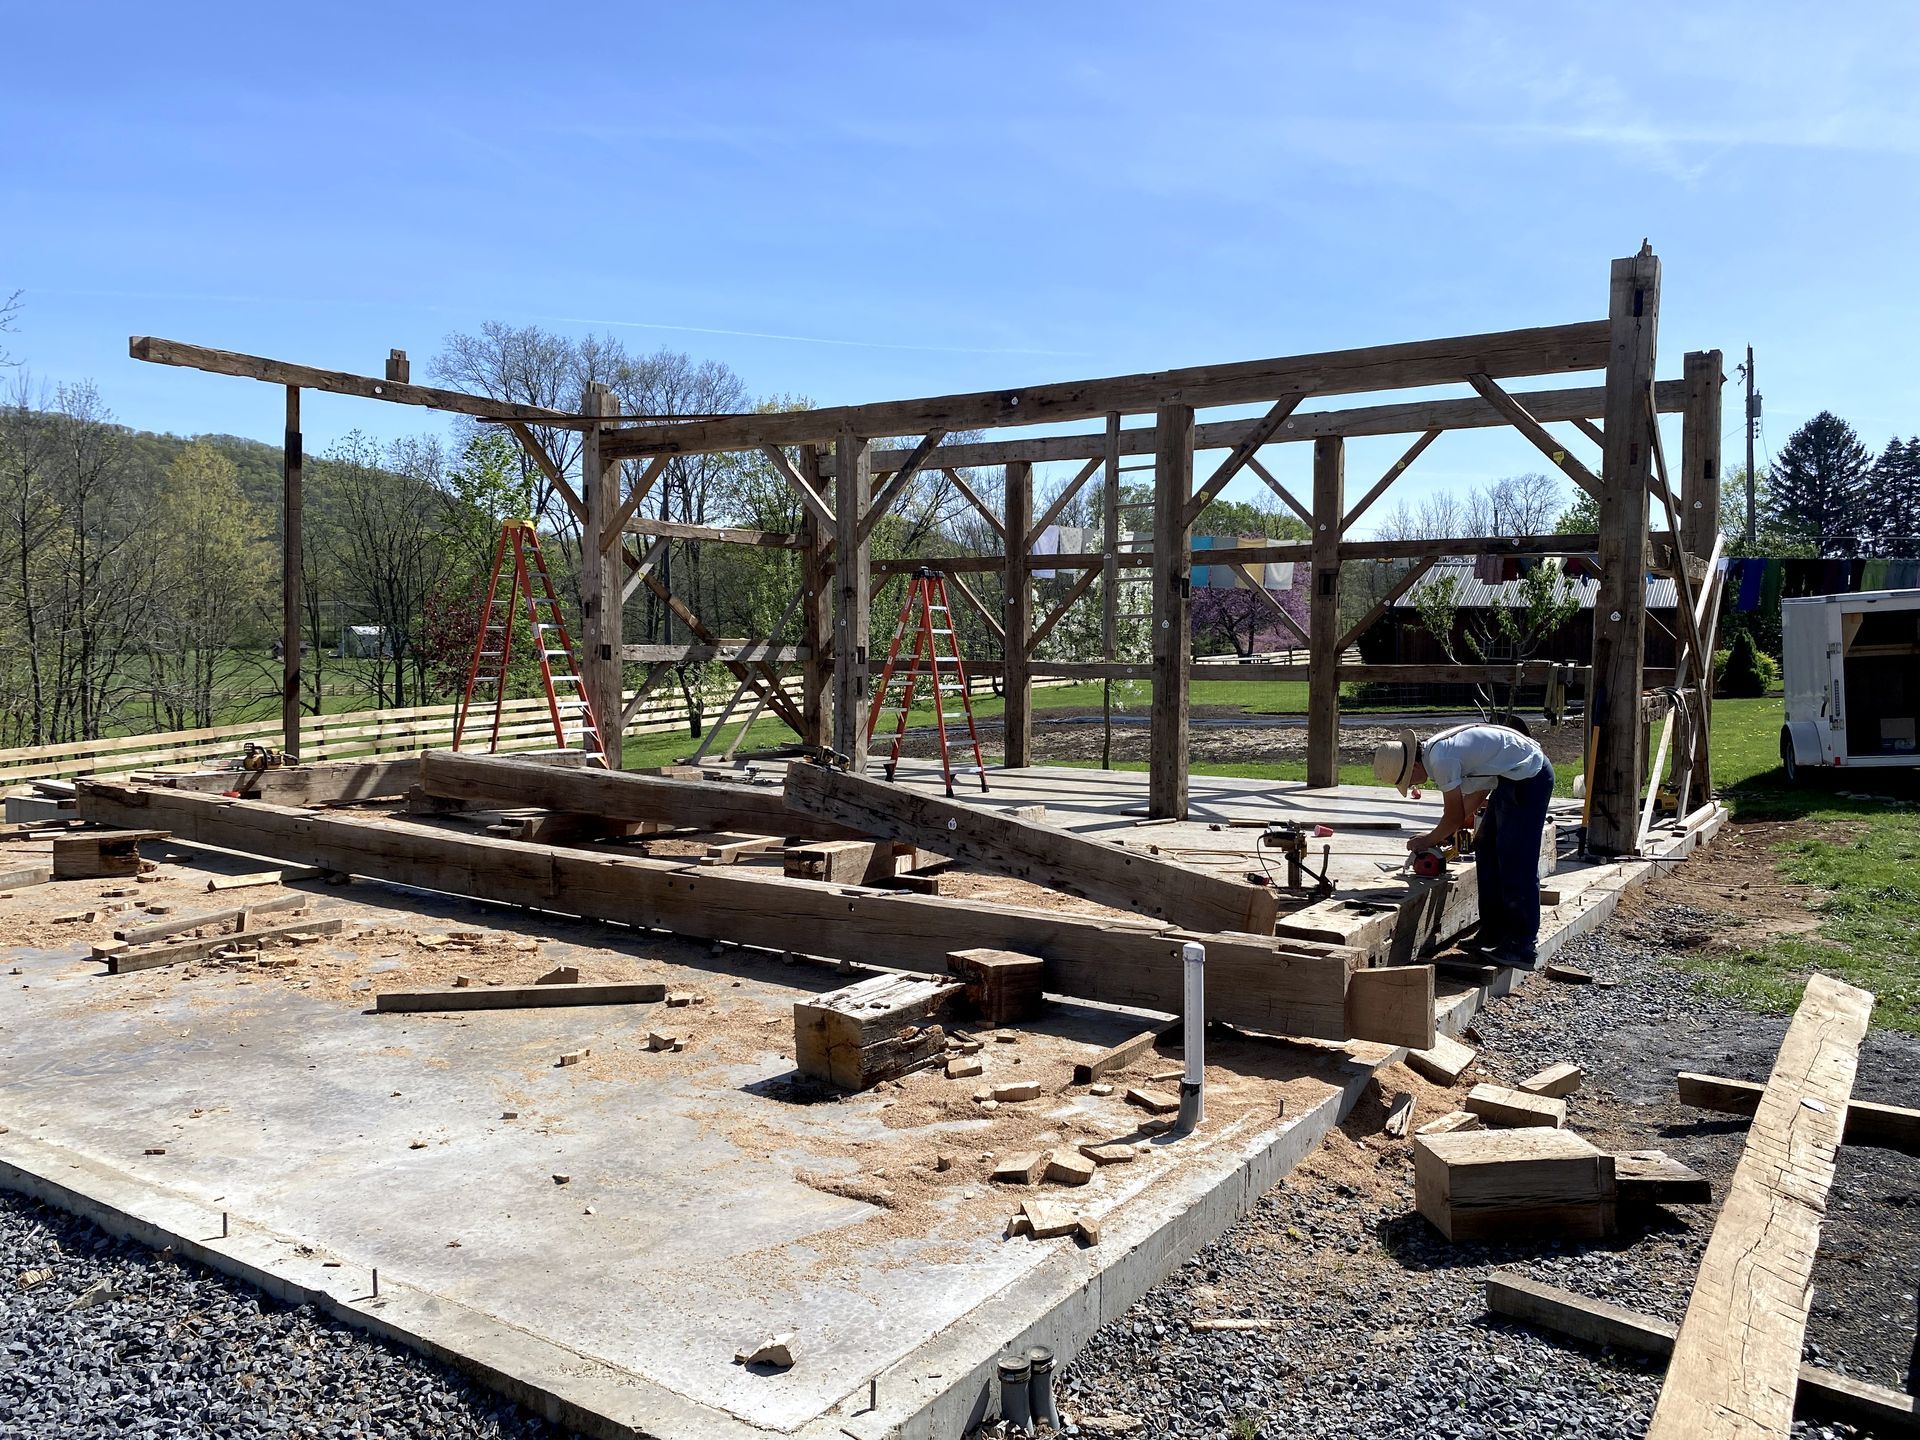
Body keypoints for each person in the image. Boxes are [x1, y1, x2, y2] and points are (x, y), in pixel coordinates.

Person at [1371, 722, 1555, 970]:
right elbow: (1477, 794)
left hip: (1531, 777)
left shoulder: (1441, 760)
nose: (1414, 785)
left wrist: (1430, 839)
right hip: (1511, 778)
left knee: (1516, 861)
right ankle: (1493, 932)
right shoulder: (1439, 752)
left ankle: (1522, 947)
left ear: (1414, 766)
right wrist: (1441, 834)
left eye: (1408, 780)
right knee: (1487, 848)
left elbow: (1454, 816)